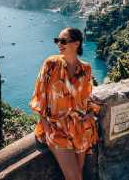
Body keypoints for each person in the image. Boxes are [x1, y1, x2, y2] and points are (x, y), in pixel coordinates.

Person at [29, 27, 101, 180]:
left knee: (78, 174)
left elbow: (87, 97)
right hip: (57, 128)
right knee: (74, 177)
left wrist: (90, 113)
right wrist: (47, 129)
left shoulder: (86, 69)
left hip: (80, 128)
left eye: (63, 41)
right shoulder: (51, 65)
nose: (58, 44)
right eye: (57, 40)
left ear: (76, 44)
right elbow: (40, 97)